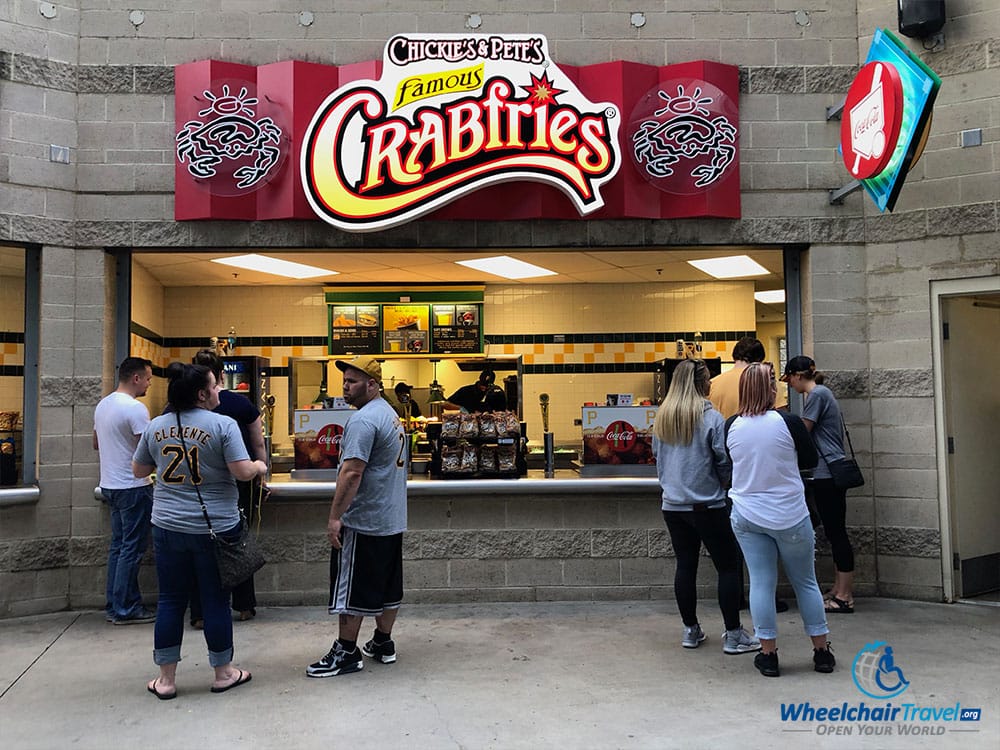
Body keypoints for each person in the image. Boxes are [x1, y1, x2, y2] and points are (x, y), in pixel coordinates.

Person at [133, 362, 268, 699]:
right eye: (214, 385)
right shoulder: (222, 425)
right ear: (201, 393)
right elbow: (241, 471)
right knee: (216, 600)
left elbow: (138, 470)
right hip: (215, 529)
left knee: (170, 601)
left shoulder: (156, 426)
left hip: (166, 525)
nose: (219, 390)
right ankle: (223, 673)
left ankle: (165, 680)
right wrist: (260, 465)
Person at [725, 362, 834, 678]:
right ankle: (821, 652)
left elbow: (729, 461)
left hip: (747, 515)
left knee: (761, 582)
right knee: (805, 582)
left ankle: (768, 655)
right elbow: (810, 459)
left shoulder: (731, 425)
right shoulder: (789, 423)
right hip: (790, 514)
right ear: (771, 389)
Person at [307, 355, 408, 678]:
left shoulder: (364, 420)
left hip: (364, 520)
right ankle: (382, 641)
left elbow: (352, 473)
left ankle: (346, 652)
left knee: (349, 590)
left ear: (373, 385)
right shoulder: (389, 414)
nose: (345, 387)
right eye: (345, 380)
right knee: (388, 586)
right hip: (391, 518)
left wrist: (335, 517)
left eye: (352, 381)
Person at [651, 359, 760, 655]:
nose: (711, 383)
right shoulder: (711, 419)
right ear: (700, 384)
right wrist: (723, 485)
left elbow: (658, 459)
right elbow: (724, 462)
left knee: (685, 566)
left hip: (673, 506)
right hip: (708, 505)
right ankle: (734, 634)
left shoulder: (662, 417)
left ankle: (690, 629)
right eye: (708, 379)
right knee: (727, 567)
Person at [187, 349, 268, 627]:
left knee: (199, 549)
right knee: (238, 544)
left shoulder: (179, 411)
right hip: (237, 484)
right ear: (222, 374)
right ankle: (244, 606)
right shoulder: (241, 405)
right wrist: (261, 474)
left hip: (195, 488)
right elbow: (258, 446)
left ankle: (198, 613)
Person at [709, 337, 789, 614]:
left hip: (730, 468)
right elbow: (782, 421)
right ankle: (767, 597)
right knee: (767, 541)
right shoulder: (766, 381)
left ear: (734, 356)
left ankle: (739, 596)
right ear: (760, 358)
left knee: (736, 539)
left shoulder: (715, 384)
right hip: (763, 470)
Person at [782, 355, 856, 614]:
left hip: (828, 473)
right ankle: (838, 589)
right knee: (835, 532)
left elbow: (803, 431)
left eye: (789, 378)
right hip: (828, 472)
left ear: (798, 376)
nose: (789, 384)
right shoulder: (823, 393)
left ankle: (845, 595)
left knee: (837, 533)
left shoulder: (817, 395)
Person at [93, 356, 156, 625]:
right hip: (133, 486)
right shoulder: (135, 409)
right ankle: (125, 608)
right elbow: (149, 451)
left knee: (118, 548)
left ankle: (115, 604)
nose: (150, 384)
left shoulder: (103, 405)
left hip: (109, 484)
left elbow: (96, 443)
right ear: (136, 378)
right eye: (149, 378)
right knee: (131, 549)